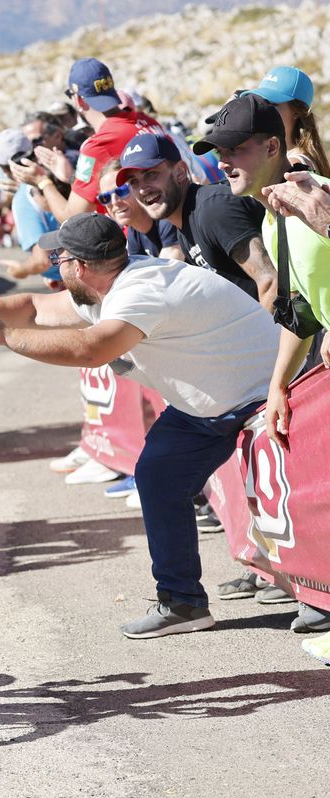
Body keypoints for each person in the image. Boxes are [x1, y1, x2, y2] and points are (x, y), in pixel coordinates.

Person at [0, 213, 281, 639]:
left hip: (259, 395)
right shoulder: (107, 284)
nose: (55, 265)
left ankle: (305, 592)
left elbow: (92, 349)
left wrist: (5, 338)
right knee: (157, 476)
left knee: (255, 490)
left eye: (59, 258)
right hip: (211, 403)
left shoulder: (141, 292)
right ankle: (182, 603)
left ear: (80, 266)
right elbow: (35, 308)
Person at [208, 95, 330, 634]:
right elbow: (300, 313)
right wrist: (278, 387)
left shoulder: (312, 195)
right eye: (217, 152)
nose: (223, 161)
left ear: (274, 146)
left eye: (236, 148)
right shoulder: (274, 213)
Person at [118, 131, 278, 310]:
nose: (142, 189)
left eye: (151, 174)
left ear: (180, 172)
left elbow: (271, 282)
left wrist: (263, 337)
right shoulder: (184, 226)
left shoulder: (212, 210)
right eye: (133, 182)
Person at [42, 58, 167, 221]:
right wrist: (71, 177)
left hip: (140, 239)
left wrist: (42, 181)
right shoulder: (147, 121)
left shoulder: (98, 145)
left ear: (78, 100)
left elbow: (72, 217)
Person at [0, 128, 61, 286]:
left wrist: (22, 270)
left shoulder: (24, 197)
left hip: (70, 279)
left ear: (1, 167)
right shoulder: (58, 171)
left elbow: (42, 261)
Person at [243, 65, 330, 176]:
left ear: (297, 112)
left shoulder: (294, 165)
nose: (262, 109)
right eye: (260, 102)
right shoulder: (285, 157)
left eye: (272, 104)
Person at [96, 160, 184, 260]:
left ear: (137, 187)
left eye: (121, 191)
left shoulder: (165, 214)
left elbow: (171, 267)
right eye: (105, 198)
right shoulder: (133, 234)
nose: (114, 202)